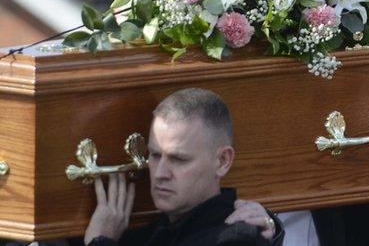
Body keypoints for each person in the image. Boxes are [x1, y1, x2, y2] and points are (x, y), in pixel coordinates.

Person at [84, 88, 284, 246]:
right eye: (154, 155)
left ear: (223, 161)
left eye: (179, 159)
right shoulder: (152, 232)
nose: (160, 174)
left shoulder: (237, 239)